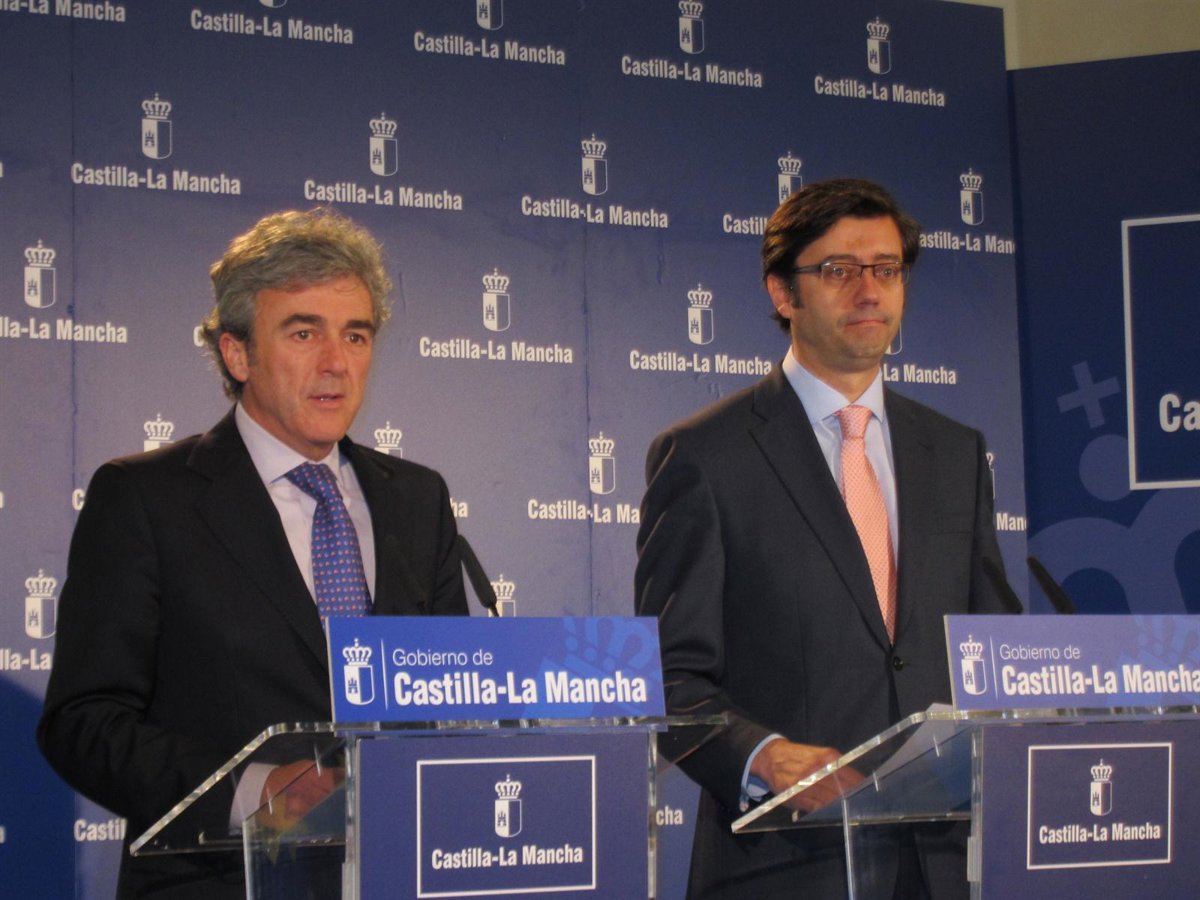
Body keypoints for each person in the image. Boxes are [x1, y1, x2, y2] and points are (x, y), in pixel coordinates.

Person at [38, 208, 468, 898]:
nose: (337, 363)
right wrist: (259, 794)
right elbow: (84, 722)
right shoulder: (145, 499)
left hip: (397, 876)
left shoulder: (417, 498)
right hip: (219, 881)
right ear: (237, 354)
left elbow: (453, 697)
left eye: (355, 335)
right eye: (304, 332)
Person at [635, 179, 1013, 899]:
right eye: (839, 270)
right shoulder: (706, 457)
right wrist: (762, 755)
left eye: (887, 269)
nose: (869, 291)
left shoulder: (955, 451)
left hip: (941, 864)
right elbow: (667, 675)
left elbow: (991, 645)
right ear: (783, 293)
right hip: (786, 862)